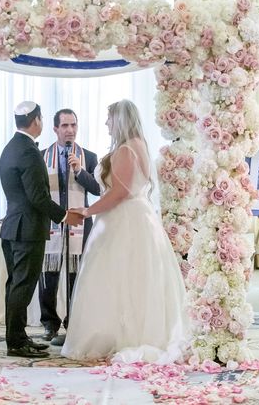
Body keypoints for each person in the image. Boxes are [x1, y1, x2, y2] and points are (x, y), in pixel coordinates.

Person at [61, 99, 188, 363]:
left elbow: (119, 192)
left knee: (116, 276)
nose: (106, 124)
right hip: (138, 217)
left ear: (118, 120)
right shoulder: (137, 146)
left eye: (109, 119)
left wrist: (87, 211)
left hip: (124, 220)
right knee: (135, 277)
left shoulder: (126, 150)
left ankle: (119, 335)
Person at [0, 101, 84, 359]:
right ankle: (16, 343)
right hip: (28, 230)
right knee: (22, 287)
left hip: (14, 226)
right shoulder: (28, 151)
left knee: (16, 285)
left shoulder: (11, 147)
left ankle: (19, 337)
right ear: (37, 120)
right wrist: (65, 215)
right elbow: (38, 196)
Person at [39, 109, 100, 342]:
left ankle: (73, 322)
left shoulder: (90, 157)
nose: (70, 130)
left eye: (73, 125)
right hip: (52, 221)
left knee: (77, 276)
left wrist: (79, 170)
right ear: (55, 129)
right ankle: (49, 324)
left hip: (80, 224)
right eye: (64, 126)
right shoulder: (42, 155)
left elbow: (97, 189)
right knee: (48, 275)